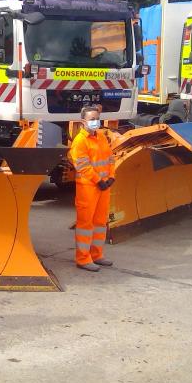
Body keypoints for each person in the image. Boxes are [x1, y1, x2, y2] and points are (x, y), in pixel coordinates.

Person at [69, 105, 115, 272]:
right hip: (88, 188)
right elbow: (82, 166)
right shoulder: (80, 141)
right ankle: (83, 258)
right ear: (83, 122)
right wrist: (98, 180)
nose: (96, 122)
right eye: (92, 119)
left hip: (103, 187)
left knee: (100, 223)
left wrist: (111, 177)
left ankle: (97, 255)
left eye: (97, 118)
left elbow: (110, 158)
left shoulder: (101, 137)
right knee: (85, 224)